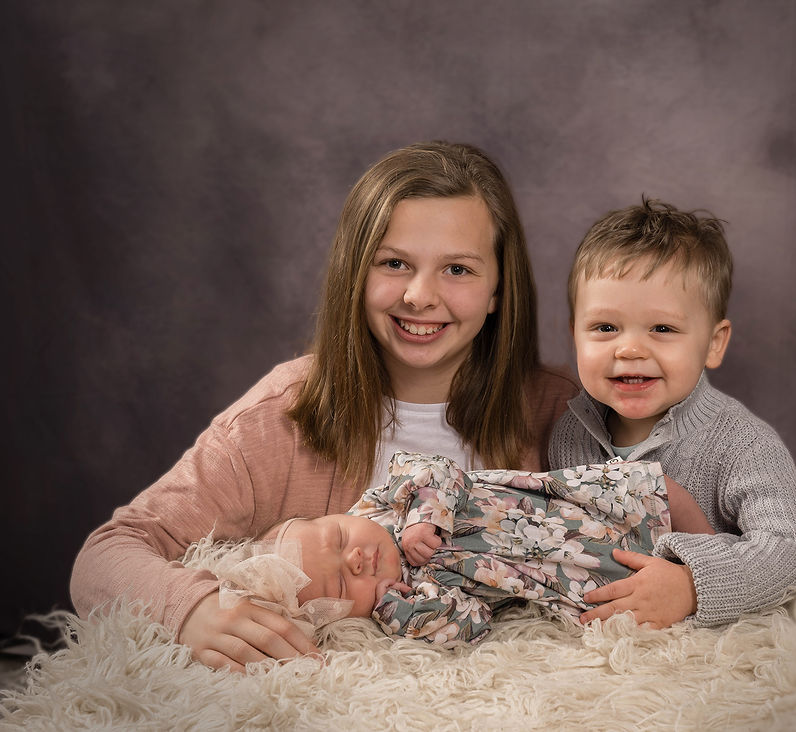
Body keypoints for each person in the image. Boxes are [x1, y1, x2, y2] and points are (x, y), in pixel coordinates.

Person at [70, 141, 579, 672]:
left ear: (499, 287)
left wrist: (678, 582)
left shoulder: (559, 411)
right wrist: (191, 609)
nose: (420, 296)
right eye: (395, 263)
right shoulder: (278, 420)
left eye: (458, 270)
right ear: (355, 272)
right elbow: (107, 553)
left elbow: (660, 519)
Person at [548, 198, 796, 631]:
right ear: (574, 335)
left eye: (662, 329)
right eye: (605, 328)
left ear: (714, 343)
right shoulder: (569, 433)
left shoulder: (743, 442)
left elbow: (789, 549)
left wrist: (692, 584)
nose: (630, 349)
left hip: (692, 656)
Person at [218, 450, 714, 647]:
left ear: (340, 516)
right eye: (343, 583)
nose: (355, 559)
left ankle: (719, 552)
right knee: (637, 580)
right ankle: (700, 575)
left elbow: (437, 468)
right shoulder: (409, 595)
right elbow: (470, 622)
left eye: (339, 539)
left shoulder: (385, 503)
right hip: (563, 565)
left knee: (656, 490)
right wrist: (396, 606)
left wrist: (423, 518)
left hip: (559, 503)